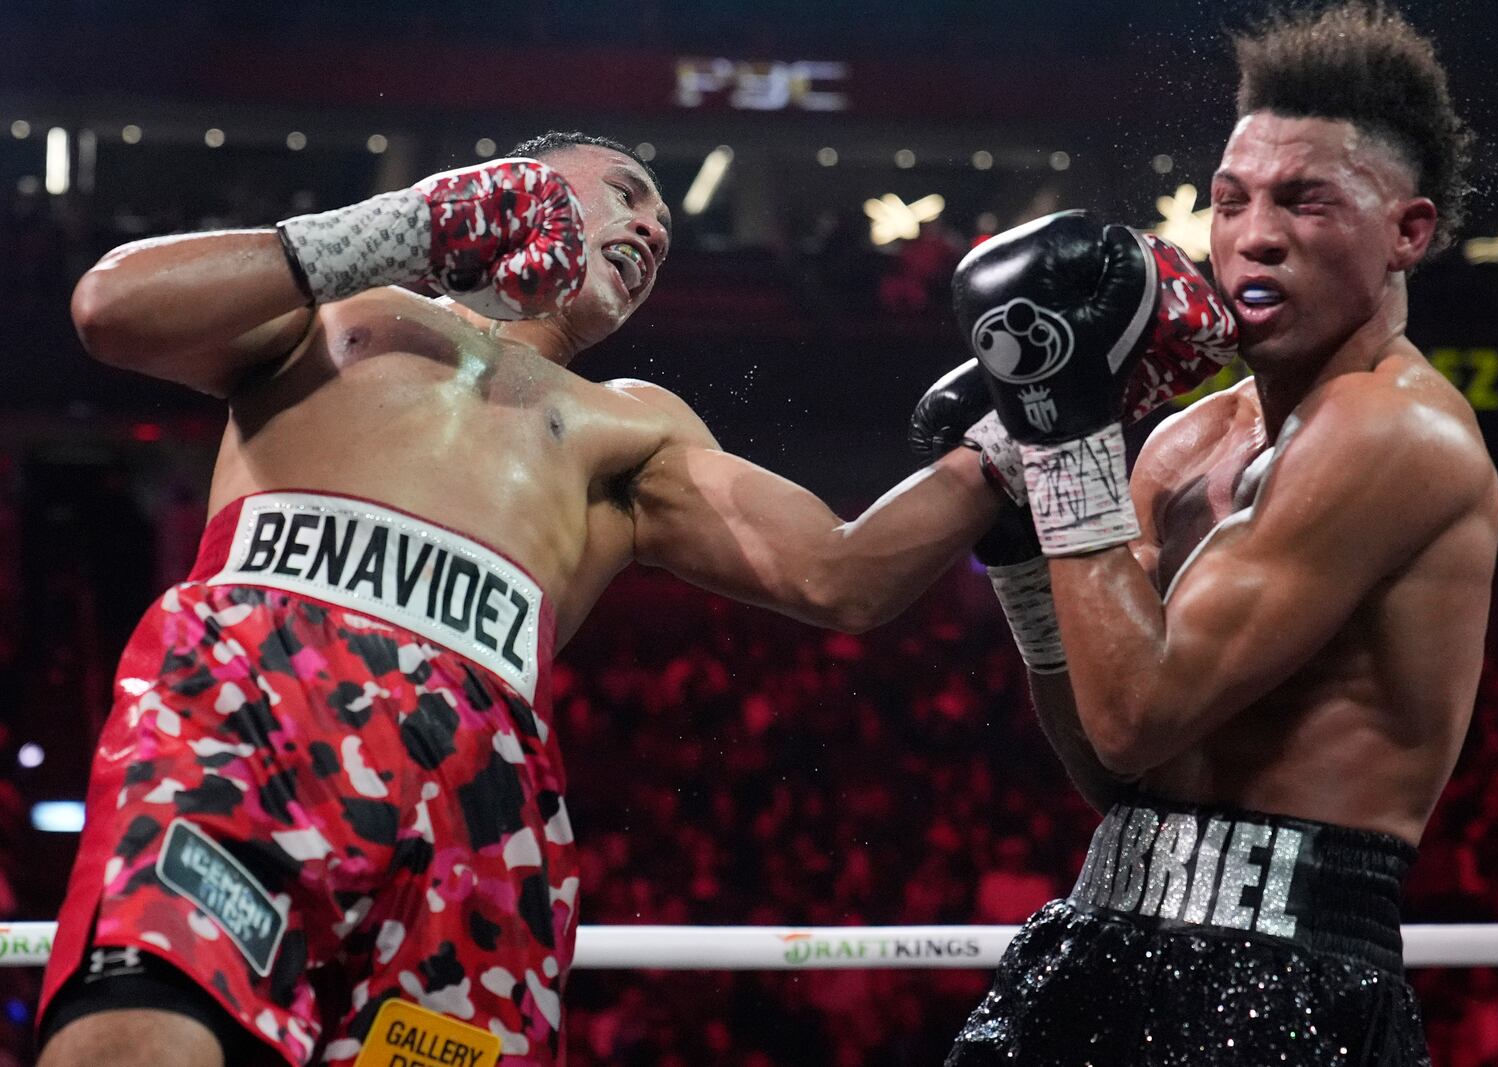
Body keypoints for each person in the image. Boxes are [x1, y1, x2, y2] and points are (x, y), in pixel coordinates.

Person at [35, 130, 1231, 1067]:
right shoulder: (345, 314)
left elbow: (842, 574)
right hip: (262, 683)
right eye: (625, 191)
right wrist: (414, 225)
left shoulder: (633, 423)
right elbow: (110, 310)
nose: (654, 225)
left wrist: (1020, 426)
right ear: (522, 183)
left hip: (476, 782)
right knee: (144, 1021)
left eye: (666, 223)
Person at [947, 3, 1498, 1063]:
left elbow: (1134, 713)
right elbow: (1110, 768)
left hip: (1286, 973)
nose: (1256, 235)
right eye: (1230, 199)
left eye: (1306, 202)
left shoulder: (1398, 430)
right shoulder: (1188, 436)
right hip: (1104, 927)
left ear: (1408, 232)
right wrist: (1024, 550)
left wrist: (1066, 446)